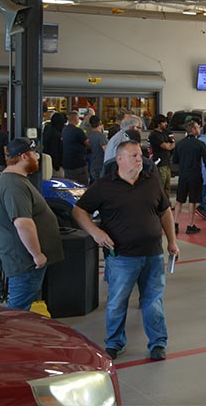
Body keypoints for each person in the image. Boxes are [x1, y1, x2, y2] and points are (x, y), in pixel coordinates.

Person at [72, 140, 178, 361]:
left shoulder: (151, 182)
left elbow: (165, 211)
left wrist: (172, 241)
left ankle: (158, 343)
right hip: (122, 257)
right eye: (134, 155)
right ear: (119, 159)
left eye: (140, 155)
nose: (140, 159)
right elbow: (79, 211)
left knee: (153, 301)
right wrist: (95, 233)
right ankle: (115, 342)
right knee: (118, 301)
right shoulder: (103, 186)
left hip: (152, 254)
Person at [0, 138, 64, 310]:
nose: (38, 158)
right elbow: (23, 224)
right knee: (18, 311)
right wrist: (37, 254)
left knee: (23, 307)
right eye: (34, 154)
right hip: (26, 262)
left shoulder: (16, 181)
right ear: (23, 156)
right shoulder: (13, 185)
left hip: (26, 261)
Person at [172, 120, 206, 235]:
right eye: (198, 128)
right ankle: (190, 225)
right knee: (192, 201)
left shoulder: (180, 144)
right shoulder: (200, 144)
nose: (199, 129)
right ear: (193, 130)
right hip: (195, 175)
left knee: (179, 200)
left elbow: (175, 160)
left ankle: (175, 224)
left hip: (183, 175)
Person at [148, 114, 175, 198]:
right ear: (159, 124)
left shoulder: (165, 133)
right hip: (159, 164)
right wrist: (170, 144)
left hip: (167, 163)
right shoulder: (154, 135)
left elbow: (172, 145)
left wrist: (171, 144)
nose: (166, 124)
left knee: (167, 186)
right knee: (160, 186)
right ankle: (159, 205)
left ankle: (167, 205)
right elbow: (166, 146)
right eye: (164, 122)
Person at [62, 112, 90, 185]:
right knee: (82, 185)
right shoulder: (78, 131)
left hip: (67, 163)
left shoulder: (64, 130)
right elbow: (87, 143)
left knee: (69, 184)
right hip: (78, 163)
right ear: (76, 119)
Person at [42, 112, 66, 177]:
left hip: (46, 164)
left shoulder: (47, 131)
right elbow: (55, 151)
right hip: (55, 166)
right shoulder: (56, 135)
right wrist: (57, 166)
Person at [87, 116, 108, 183]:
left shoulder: (88, 136)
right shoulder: (101, 136)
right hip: (100, 165)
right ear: (100, 124)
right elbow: (106, 150)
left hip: (91, 164)